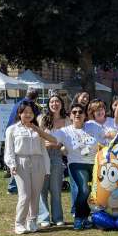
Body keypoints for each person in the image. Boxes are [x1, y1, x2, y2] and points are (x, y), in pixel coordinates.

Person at [42, 103, 113, 230]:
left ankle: (87, 218)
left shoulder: (93, 126)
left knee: (94, 191)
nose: (77, 114)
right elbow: (52, 138)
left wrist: (116, 135)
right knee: (84, 189)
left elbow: (107, 134)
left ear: (85, 115)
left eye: (80, 112)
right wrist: (38, 131)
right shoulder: (65, 131)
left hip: (95, 163)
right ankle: (79, 218)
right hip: (76, 163)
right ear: (70, 115)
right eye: (74, 112)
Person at [4, 103, 51, 234]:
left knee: (36, 194)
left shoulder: (37, 129)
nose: (28, 114)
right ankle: (19, 223)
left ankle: (32, 221)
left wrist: (47, 168)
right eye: (25, 112)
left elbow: (43, 150)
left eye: (31, 112)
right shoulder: (12, 129)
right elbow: (9, 150)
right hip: (21, 162)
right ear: (19, 113)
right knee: (25, 195)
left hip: (38, 162)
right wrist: (12, 164)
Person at [37, 95, 70, 228]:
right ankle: (44, 217)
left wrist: (60, 146)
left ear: (61, 104)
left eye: (57, 101)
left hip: (57, 155)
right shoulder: (43, 119)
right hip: (43, 155)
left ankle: (58, 217)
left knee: (56, 188)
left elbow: (69, 140)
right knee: (42, 188)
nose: (54, 104)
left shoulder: (67, 120)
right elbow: (39, 138)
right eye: (52, 102)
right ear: (48, 104)